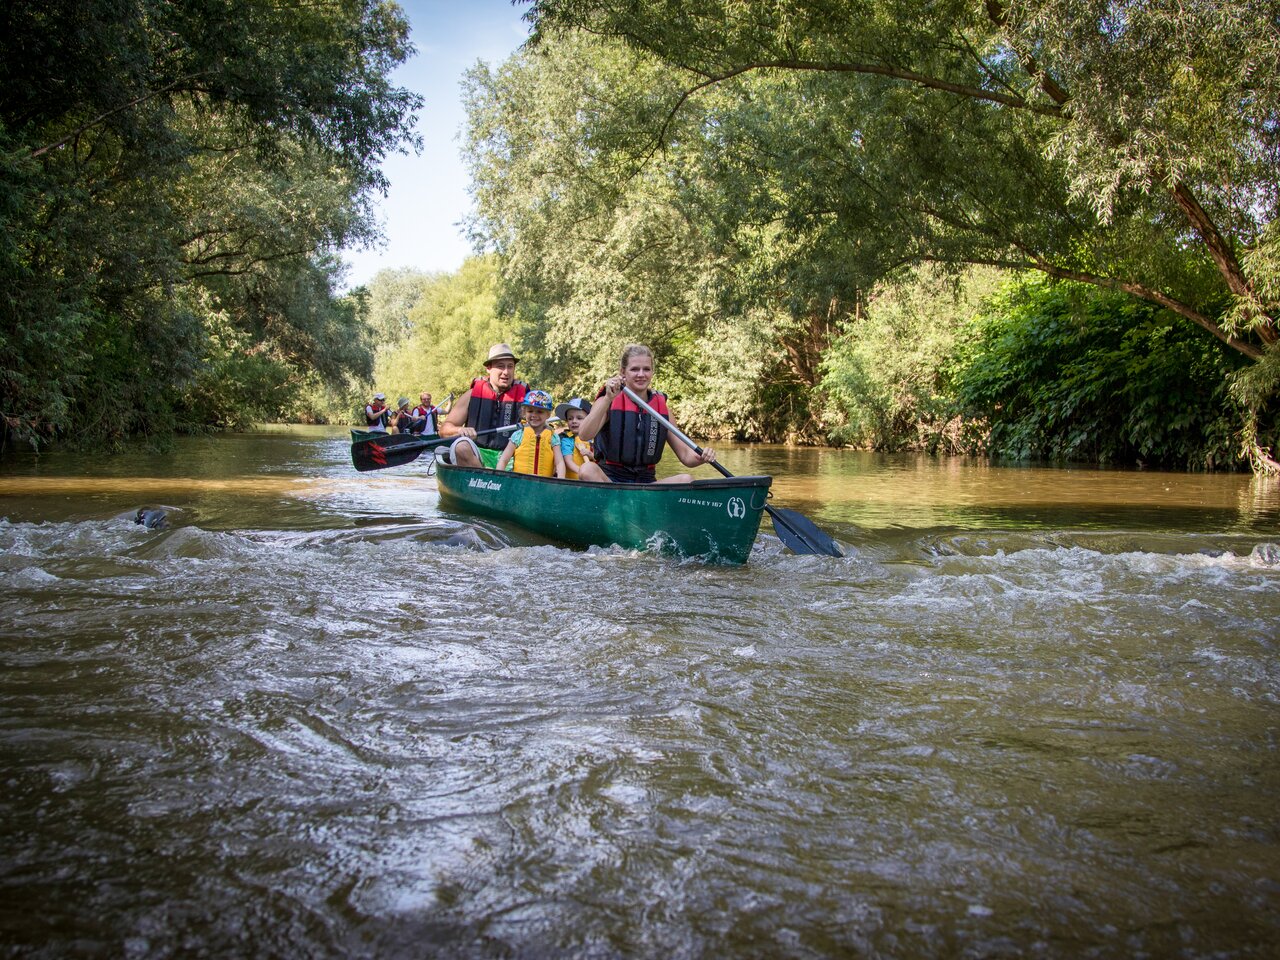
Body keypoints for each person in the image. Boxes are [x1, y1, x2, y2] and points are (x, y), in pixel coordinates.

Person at [574, 343, 716, 484]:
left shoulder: (662, 408)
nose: (641, 374)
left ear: (652, 372)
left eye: (646, 369)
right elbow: (585, 434)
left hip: (646, 483)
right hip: (611, 480)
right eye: (635, 369)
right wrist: (607, 399)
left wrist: (702, 457)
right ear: (623, 372)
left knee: (686, 480)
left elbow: (686, 456)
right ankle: (615, 502)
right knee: (587, 469)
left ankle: (635, 502)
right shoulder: (608, 399)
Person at [440, 343, 529, 468]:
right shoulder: (471, 395)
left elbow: (543, 427)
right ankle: (486, 479)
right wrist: (460, 430)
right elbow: (444, 429)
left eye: (510, 367)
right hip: (478, 454)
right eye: (500, 366)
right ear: (488, 368)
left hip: (511, 456)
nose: (506, 372)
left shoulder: (526, 397)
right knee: (461, 446)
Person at [495, 390, 558, 476]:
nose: (534, 415)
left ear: (548, 415)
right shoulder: (518, 435)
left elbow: (559, 463)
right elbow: (504, 460)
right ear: (524, 413)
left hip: (543, 484)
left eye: (540, 412)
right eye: (530, 411)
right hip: (520, 483)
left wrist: (560, 481)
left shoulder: (553, 437)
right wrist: (499, 477)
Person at [552, 397, 608, 481]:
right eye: (570, 418)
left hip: (591, 480)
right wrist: (585, 473)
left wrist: (591, 455)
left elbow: (599, 460)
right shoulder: (567, 439)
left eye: (579, 418)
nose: (574, 421)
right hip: (575, 482)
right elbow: (568, 462)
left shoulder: (594, 439)